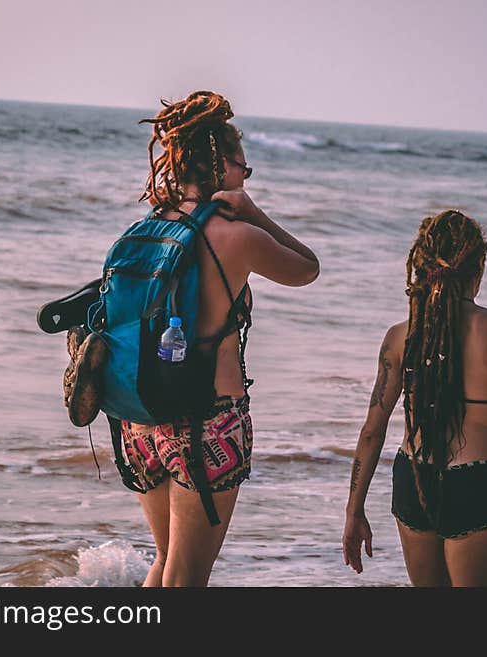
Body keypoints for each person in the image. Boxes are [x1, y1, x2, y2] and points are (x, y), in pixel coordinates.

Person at [68, 91, 320, 586]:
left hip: (138, 418)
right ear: (220, 165)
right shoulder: (236, 235)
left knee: (165, 563)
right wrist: (253, 212)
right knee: (188, 578)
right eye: (243, 170)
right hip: (209, 423)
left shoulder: (142, 230)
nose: (244, 179)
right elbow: (306, 269)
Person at [342, 209, 487, 586]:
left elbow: (372, 432)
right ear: (478, 268)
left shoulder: (400, 337)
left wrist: (353, 512)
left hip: (413, 478)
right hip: (474, 484)